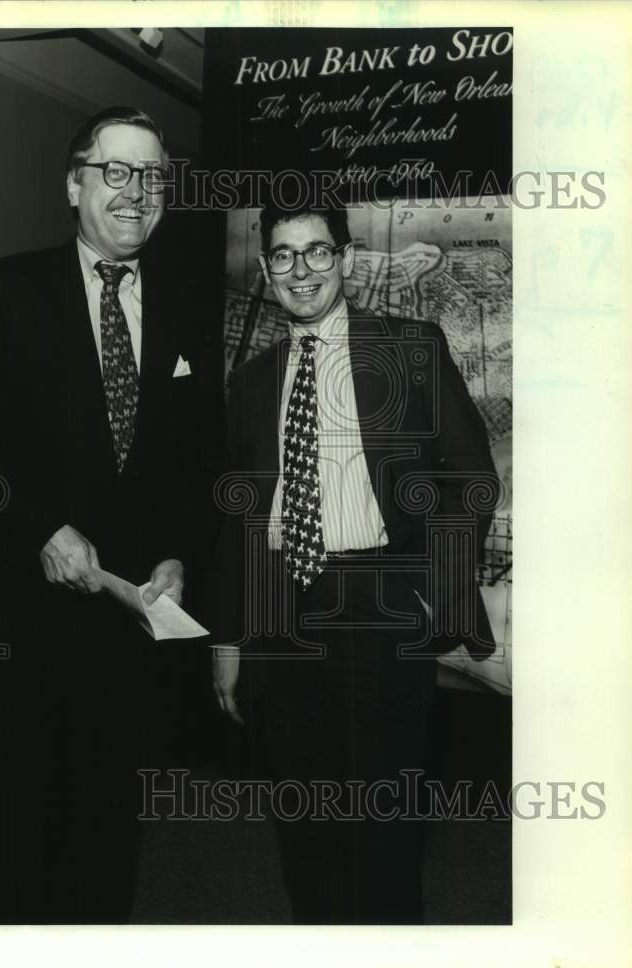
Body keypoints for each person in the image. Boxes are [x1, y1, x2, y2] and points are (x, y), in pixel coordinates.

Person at [0, 106, 218, 923]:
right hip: (28, 632)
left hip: (131, 641)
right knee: (13, 845)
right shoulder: (5, 288)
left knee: (105, 847)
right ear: (74, 184)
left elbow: (198, 464)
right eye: (116, 171)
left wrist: (177, 555)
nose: (137, 192)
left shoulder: (189, 306)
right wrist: (41, 529)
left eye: (153, 175)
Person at [211, 201, 498, 924]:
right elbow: (239, 520)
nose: (300, 270)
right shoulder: (247, 384)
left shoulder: (407, 348)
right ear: (267, 266)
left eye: (316, 251)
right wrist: (228, 637)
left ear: (344, 259)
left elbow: (469, 476)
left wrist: (436, 589)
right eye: (282, 254)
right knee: (303, 821)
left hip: (378, 601)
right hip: (282, 612)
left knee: (382, 823)